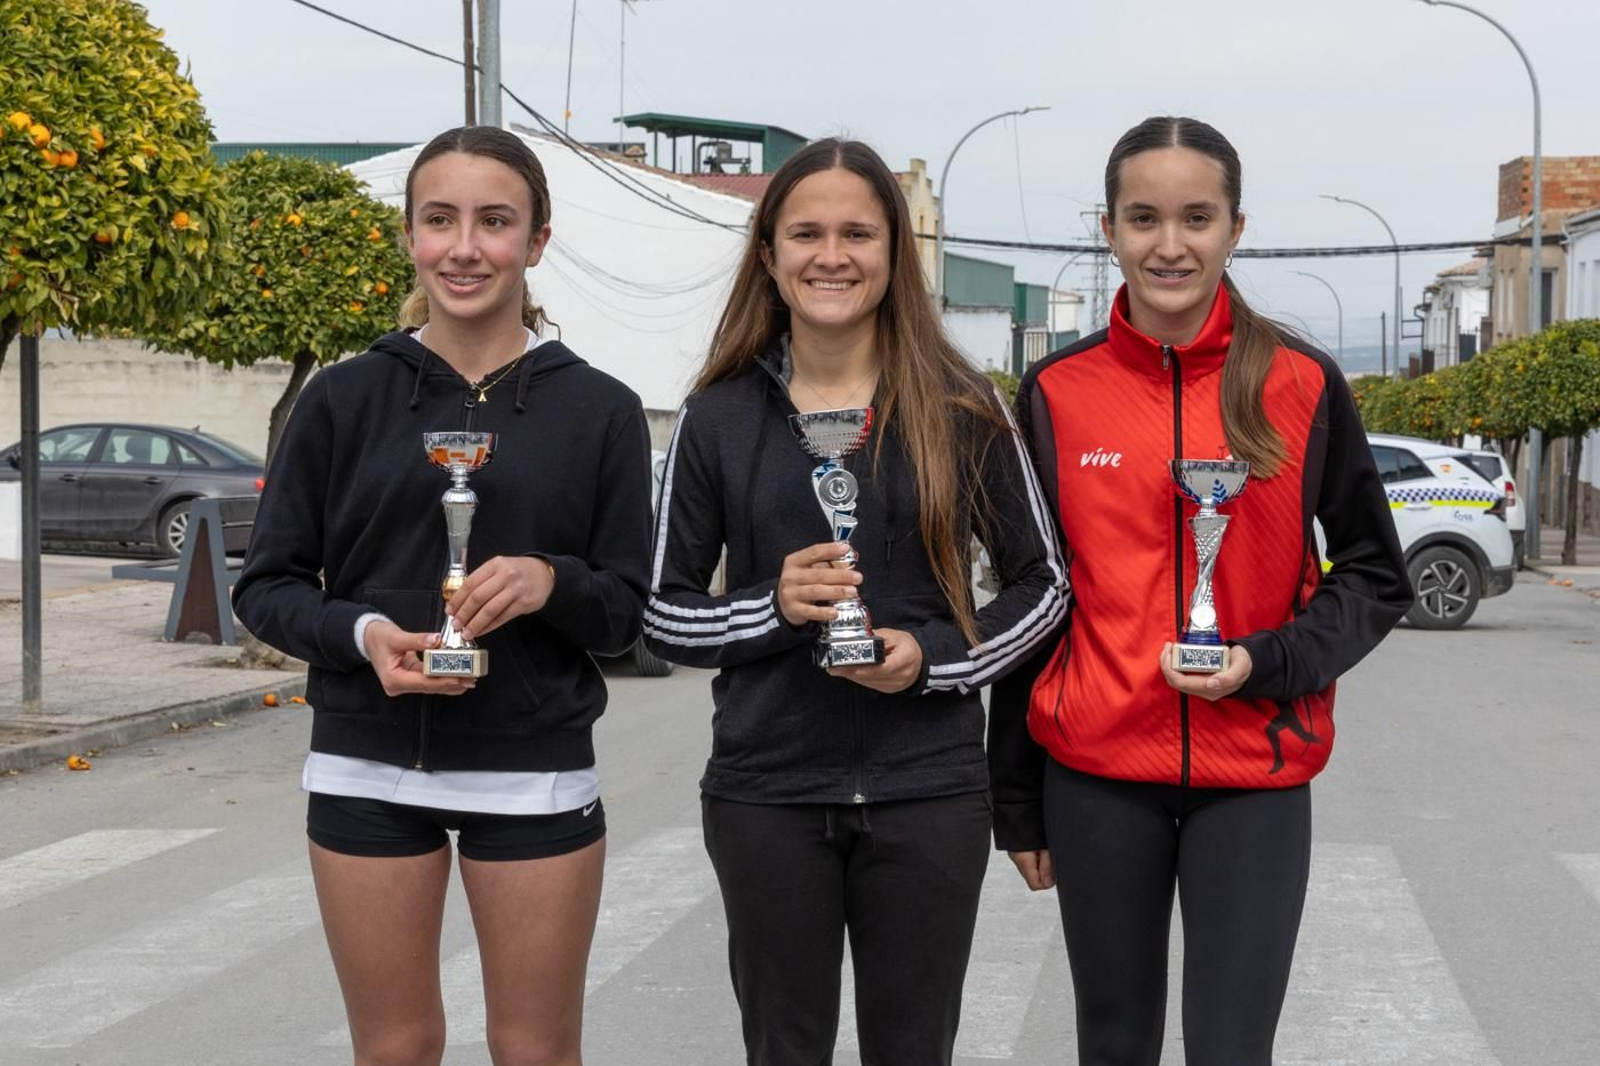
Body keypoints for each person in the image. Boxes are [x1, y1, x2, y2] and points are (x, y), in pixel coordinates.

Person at [989, 115, 1415, 1066]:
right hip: (1097, 777)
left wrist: (1269, 662)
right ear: (1109, 230)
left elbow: (1374, 575)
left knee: (1232, 1049)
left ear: (1235, 228)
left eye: (1196, 218)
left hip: (1255, 777)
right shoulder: (1056, 391)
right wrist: (1015, 797)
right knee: (1114, 1044)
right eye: (1144, 218)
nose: (1169, 245)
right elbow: (1035, 598)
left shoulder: (1303, 383)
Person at [642, 138, 1068, 1066]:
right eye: (806, 234)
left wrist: (934, 661)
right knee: (783, 1051)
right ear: (769, 254)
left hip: (929, 794)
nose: (830, 256)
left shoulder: (962, 404)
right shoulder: (717, 415)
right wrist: (773, 606)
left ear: (894, 253)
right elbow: (663, 613)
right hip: (767, 795)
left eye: (857, 234)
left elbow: (1045, 589)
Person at [233, 126, 652, 1066]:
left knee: (534, 1051)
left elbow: (628, 610)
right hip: (366, 765)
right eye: (440, 219)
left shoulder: (602, 410)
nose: (465, 247)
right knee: (396, 1049)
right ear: (410, 236)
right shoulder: (343, 399)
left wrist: (550, 582)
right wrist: (365, 634)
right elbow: (267, 588)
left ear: (537, 240)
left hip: (534, 771)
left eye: (495, 221)